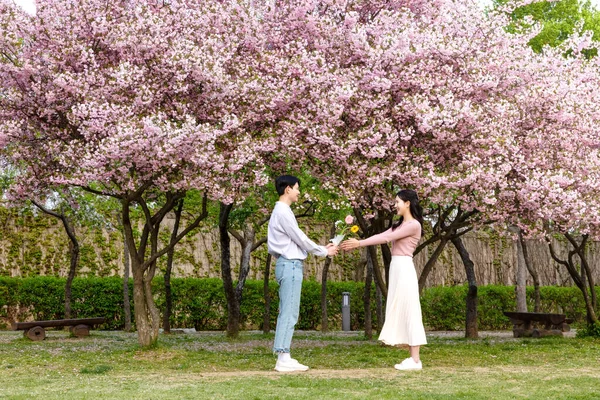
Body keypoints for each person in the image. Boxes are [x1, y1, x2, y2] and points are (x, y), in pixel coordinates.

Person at [340, 189, 427, 371]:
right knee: (400, 307)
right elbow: (385, 234)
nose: (395, 205)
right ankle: (413, 358)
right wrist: (359, 242)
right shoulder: (400, 224)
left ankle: (416, 360)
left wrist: (359, 243)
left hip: (404, 268)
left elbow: (386, 238)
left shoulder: (414, 225)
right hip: (397, 268)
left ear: (408, 203)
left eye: (397, 202)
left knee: (410, 308)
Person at [268, 175, 338, 372]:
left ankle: (284, 355)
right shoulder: (283, 212)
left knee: (290, 311)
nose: (299, 192)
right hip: (289, 265)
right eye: (297, 188)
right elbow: (300, 238)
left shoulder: (282, 211)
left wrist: (320, 248)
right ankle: (283, 357)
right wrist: (324, 251)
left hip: (289, 264)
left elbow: (296, 241)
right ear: (288, 189)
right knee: (289, 312)